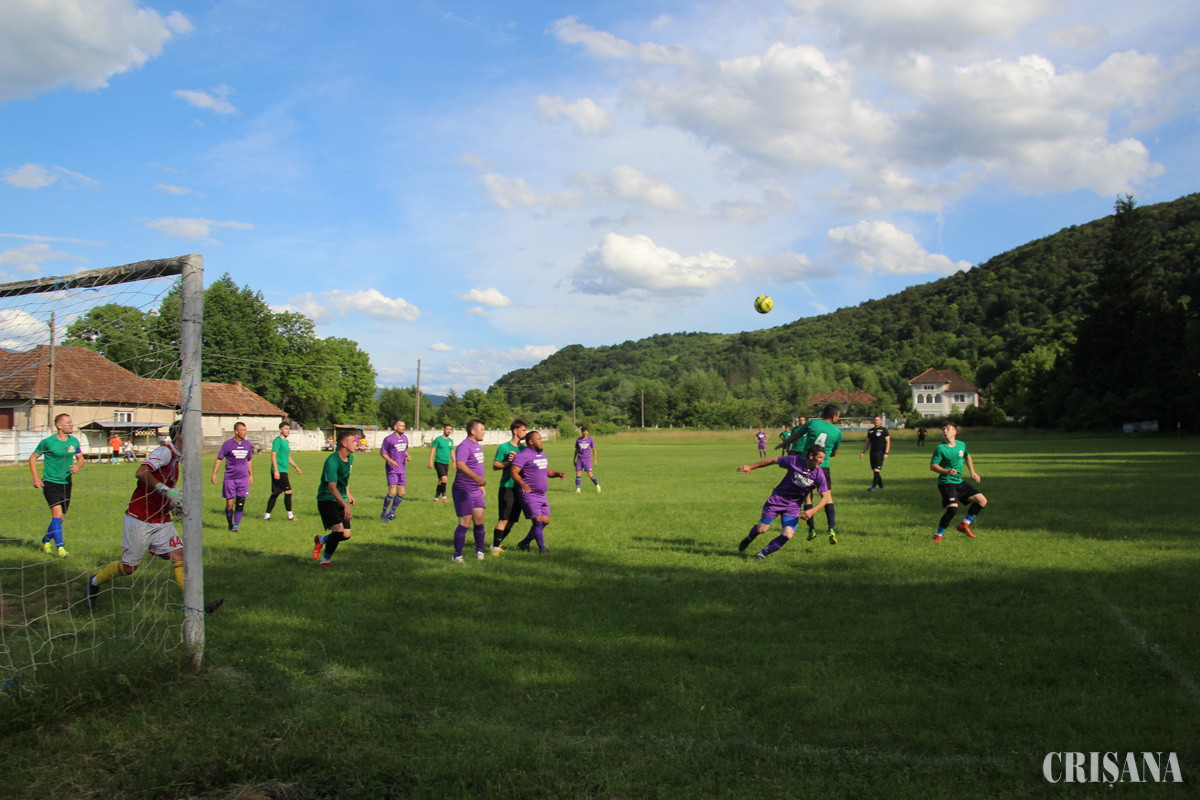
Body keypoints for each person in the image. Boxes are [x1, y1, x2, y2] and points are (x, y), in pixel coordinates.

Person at [85, 421, 223, 614]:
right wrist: (167, 491)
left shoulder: (178, 458)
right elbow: (141, 472)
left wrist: (172, 503)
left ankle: (197, 605)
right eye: (194, 432)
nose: (197, 437)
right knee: (128, 568)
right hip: (140, 518)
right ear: (181, 436)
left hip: (161, 519)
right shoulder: (165, 452)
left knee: (180, 555)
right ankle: (93, 582)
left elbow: (163, 488)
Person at [736, 444, 832, 560]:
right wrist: (751, 467)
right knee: (762, 529)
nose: (822, 461)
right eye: (820, 458)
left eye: (823, 458)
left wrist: (813, 510)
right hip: (777, 500)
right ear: (811, 456)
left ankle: (761, 554)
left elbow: (826, 497)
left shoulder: (819, 474)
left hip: (793, 506)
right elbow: (773, 460)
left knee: (788, 534)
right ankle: (748, 538)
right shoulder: (795, 461)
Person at [778, 404, 842, 543]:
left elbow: (795, 436)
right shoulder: (837, 432)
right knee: (827, 497)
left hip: (806, 465)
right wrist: (826, 455)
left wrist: (783, 444)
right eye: (838, 416)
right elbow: (835, 452)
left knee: (808, 498)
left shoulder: (812, 423)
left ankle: (812, 529)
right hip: (823, 466)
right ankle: (831, 529)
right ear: (834, 416)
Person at [29, 412, 84, 558]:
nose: (72, 425)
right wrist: (35, 478)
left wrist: (78, 465)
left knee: (60, 519)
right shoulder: (48, 442)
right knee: (57, 514)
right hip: (50, 482)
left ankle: (46, 541)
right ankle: (61, 548)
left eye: (71, 422)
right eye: (68, 423)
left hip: (66, 483)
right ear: (59, 425)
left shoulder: (74, 441)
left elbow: (80, 458)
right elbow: (33, 458)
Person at [929, 422, 987, 542]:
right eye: (944, 430)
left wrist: (972, 471)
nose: (945, 431)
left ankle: (964, 525)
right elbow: (933, 466)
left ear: (955, 432)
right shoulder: (940, 448)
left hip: (958, 482)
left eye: (948, 429)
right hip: (946, 482)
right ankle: (938, 536)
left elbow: (967, 456)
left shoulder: (961, 445)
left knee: (982, 500)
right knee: (953, 509)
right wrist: (947, 471)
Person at [510, 430, 566, 553]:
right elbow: (513, 472)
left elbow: (547, 471)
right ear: (531, 441)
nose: (541, 441)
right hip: (529, 494)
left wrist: (557, 474)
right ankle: (542, 550)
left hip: (542, 495)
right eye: (539, 439)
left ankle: (524, 543)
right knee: (538, 521)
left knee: (545, 521)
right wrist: (522, 483)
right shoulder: (523, 455)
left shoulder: (542, 455)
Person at [312, 428, 358, 567]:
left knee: (346, 535)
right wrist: (345, 505)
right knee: (338, 530)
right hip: (327, 498)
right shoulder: (332, 461)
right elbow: (332, 487)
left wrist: (348, 493)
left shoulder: (350, 458)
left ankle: (321, 540)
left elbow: (344, 477)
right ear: (344, 443)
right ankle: (325, 561)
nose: (356, 443)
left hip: (341, 497)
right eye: (353, 441)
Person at [450, 420, 488, 562]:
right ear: (473, 431)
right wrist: (476, 478)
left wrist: (480, 485)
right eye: (482, 429)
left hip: (475, 489)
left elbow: (476, 466)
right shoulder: (464, 446)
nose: (484, 432)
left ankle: (480, 551)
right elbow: (460, 465)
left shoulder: (477, 446)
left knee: (479, 520)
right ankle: (457, 555)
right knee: (465, 522)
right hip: (464, 488)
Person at [490, 419, 528, 554]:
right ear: (515, 430)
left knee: (512, 520)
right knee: (504, 518)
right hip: (507, 487)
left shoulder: (525, 449)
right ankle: (495, 548)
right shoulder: (504, 447)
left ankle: (495, 543)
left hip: (520, 488)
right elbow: (495, 465)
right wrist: (508, 462)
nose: (526, 432)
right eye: (524, 430)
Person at [211, 421, 254, 532]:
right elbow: (219, 459)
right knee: (229, 504)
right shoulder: (228, 444)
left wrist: (251, 475)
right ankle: (230, 523)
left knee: (240, 502)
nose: (245, 432)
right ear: (236, 431)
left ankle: (236, 526)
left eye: (245, 430)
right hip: (230, 478)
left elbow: (249, 460)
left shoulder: (247, 445)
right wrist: (214, 474)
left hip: (243, 478)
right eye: (243, 430)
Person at [264, 421, 302, 521]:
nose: (288, 431)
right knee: (288, 491)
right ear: (280, 430)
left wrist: (296, 467)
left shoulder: (286, 441)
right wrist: (276, 470)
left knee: (276, 493)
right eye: (286, 429)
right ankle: (290, 516)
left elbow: (287, 456)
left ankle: (267, 516)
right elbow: (273, 455)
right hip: (279, 470)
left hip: (283, 470)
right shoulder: (278, 441)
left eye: (289, 429)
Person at [379, 419, 411, 521]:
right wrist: (390, 460)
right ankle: (384, 513)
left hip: (402, 469)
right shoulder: (389, 439)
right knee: (392, 492)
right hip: (392, 469)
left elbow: (405, 450)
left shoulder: (405, 438)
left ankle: (392, 513)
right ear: (395, 427)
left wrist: (407, 455)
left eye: (404, 426)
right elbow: (383, 452)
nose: (403, 428)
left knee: (401, 493)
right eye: (401, 426)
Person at [860, 414, 891, 491]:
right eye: (875, 420)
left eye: (877, 420)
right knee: (875, 470)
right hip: (872, 452)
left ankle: (873, 487)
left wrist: (886, 453)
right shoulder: (870, 431)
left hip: (880, 452)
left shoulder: (884, 430)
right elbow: (868, 442)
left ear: (880, 421)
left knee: (877, 470)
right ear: (872, 421)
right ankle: (881, 487)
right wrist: (863, 452)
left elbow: (888, 442)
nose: (876, 421)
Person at [427, 423, 455, 502]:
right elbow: (433, 450)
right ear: (443, 429)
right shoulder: (438, 439)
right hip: (438, 462)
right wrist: (430, 461)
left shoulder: (450, 441)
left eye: (450, 429)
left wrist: (454, 461)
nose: (449, 431)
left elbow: (452, 451)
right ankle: (444, 496)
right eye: (447, 429)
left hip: (446, 463)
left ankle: (436, 497)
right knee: (445, 479)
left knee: (441, 480)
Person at [573, 426, 600, 492]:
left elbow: (594, 449)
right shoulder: (578, 440)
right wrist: (574, 459)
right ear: (581, 432)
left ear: (588, 432)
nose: (585, 432)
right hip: (579, 459)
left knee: (590, 474)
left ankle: (597, 486)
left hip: (587, 459)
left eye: (586, 431)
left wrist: (595, 459)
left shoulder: (590, 440)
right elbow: (576, 450)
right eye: (583, 431)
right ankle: (578, 489)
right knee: (578, 474)